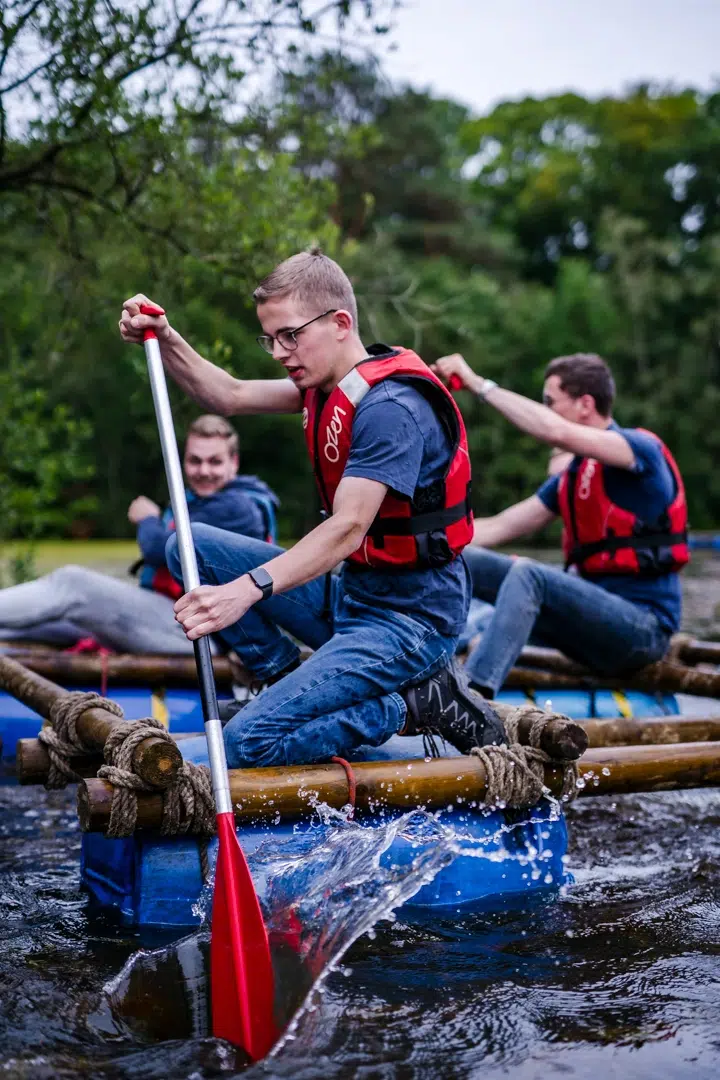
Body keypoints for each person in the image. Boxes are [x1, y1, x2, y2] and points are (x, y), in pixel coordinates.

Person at [119, 249, 506, 768]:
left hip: (411, 621)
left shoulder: (391, 408)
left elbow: (347, 529)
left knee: (243, 744)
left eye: (290, 335)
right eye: (271, 337)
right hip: (355, 595)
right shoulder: (324, 387)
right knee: (186, 547)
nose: (279, 351)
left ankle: (405, 706)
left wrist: (246, 590)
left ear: (340, 323)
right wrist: (167, 338)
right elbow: (228, 394)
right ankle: (283, 683)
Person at [432, 351, 688, 697]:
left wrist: (476, 383)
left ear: (585, 404)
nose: (545, 409)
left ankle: (471, 697)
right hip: (587, 628)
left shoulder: (640, 450)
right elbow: (497, 528)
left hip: (642, 631)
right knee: (466, 559)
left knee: (529, 574)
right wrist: (413, 541)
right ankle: (416, 660)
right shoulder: (573, 477)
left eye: (550, 400)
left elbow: (555, 431)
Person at [0, 415, 276, 654]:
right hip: (179, 621)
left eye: (215, 462)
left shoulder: (237, 507)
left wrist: (148, 519)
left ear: (234, 462)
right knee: (57, 623)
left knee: (73, 585)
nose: (204, 471)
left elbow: (159, 549)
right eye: (195, 461)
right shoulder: (198, 502)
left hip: (205, 635)